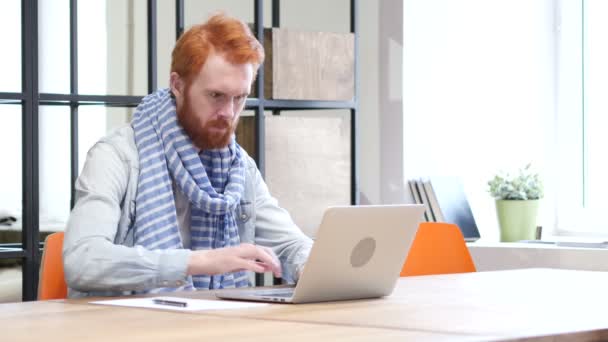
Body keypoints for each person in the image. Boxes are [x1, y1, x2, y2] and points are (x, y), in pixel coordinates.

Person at [63, 13, 313, 297]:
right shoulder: (116, 156)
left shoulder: (238, 166)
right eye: (216, 96)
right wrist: (200, 262)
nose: (229, 114)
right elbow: (82, 260)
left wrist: (309, 266)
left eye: (239, 97)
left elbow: (292, 244)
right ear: (178, 85)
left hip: (209, 324)